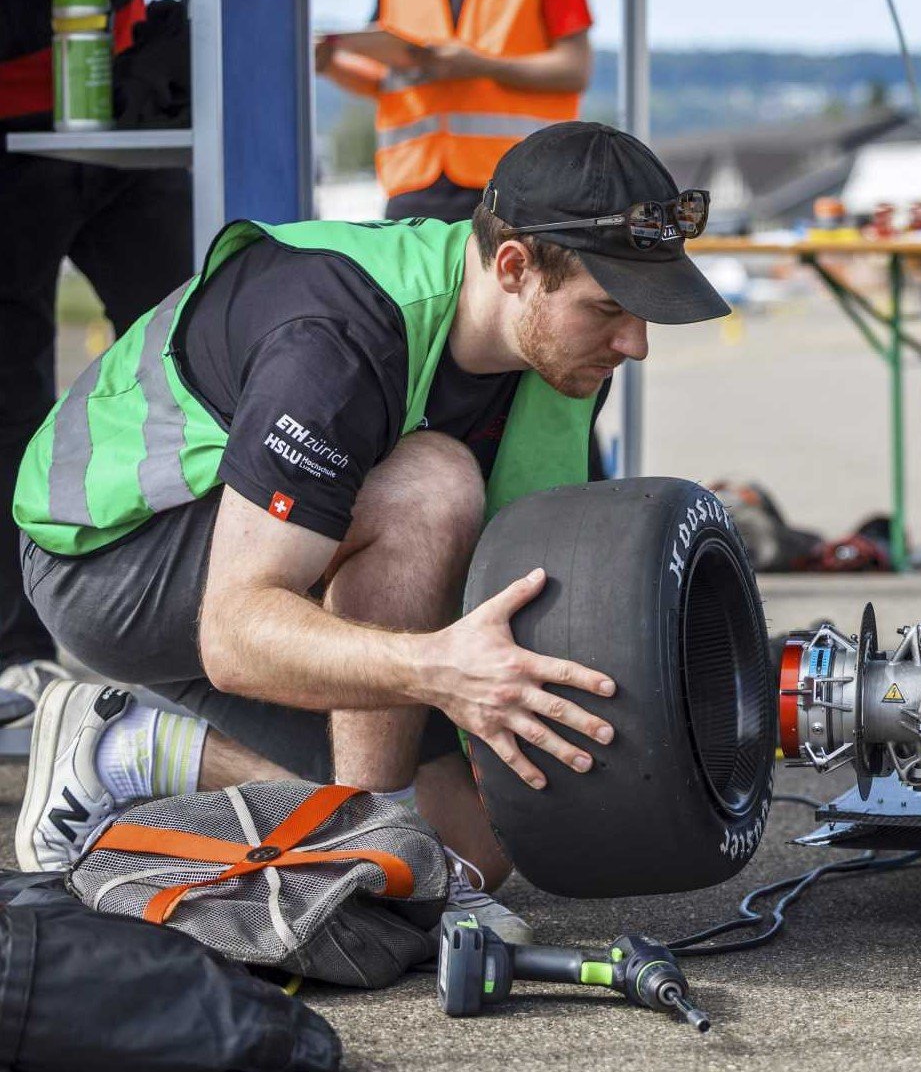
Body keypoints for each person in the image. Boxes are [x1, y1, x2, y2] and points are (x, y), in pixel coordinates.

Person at [13, 122, 725, 940]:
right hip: (108, 559)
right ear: (514, 266)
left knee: (481, 841)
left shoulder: (563, 356)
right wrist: (433, 669)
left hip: (272, 561)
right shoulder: (336, 338)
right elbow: (236, 631)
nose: (634, 343)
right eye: (609, 308)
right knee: (430, 486)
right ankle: (367, 854)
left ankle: (132, 751)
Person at [0, 0, 363, 717]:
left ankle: (235, 612)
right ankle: (15, 651)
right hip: (15, 120)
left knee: (198, 350)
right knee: (12, 384)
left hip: (120, 96)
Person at [316, 0, 594, 222]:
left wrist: (482, 66)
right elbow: (384, 82)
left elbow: (575, 69)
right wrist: (329, 63)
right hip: (413, 188)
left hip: (519, 186)